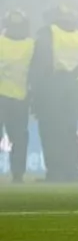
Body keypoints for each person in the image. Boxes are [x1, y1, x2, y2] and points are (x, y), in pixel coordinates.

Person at [29, 6, 78, 182]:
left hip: (51, 86)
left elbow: (39, 64)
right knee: (69, 130)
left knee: (50, 130)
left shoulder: (47, 33)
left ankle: (54, 172)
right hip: (74, 87)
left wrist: (35, 90)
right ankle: (72, 171)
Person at [0, 10, 35, 183]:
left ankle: (18, 174)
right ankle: (18, 174)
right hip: (21, 98)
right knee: (20, 139)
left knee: (20, 139)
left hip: (4, 97)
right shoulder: (31, 45)